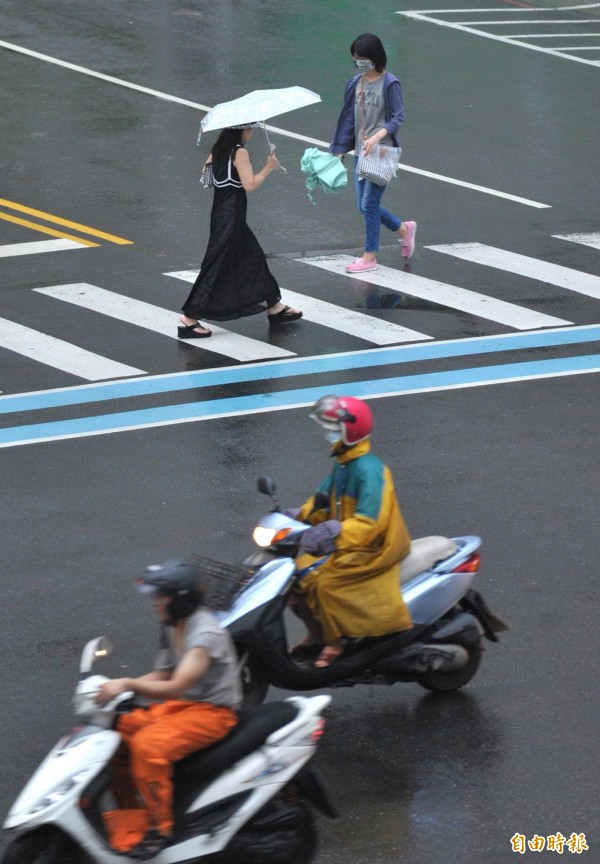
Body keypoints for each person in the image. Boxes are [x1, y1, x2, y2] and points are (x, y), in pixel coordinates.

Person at [95, 559, 241, 860]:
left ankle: (161, 828)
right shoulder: (173, 625)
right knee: (119, 732)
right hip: (184, 706)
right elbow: (162, 674)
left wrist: (127, 684)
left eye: (161, 596)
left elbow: (176, 684)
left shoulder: (205, 636)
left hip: (213, 713)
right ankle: (132, 813)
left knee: (148, 747)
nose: (155, 603)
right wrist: (117, 688)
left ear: (181, 599)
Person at [291, 395, 413, 668]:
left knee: (325, 584)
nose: (328, 433)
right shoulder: (343, 462)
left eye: (334, 428)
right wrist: (296, 516)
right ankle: (316, 634)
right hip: (346, 541)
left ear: (351, 430)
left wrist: (333, 531)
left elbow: (371, 524)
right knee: (295, 575)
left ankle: (336, 643)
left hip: (371, 548)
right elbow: (321, 498)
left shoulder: (371, 470)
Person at [178, 124, 302, 338]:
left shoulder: (219, 149)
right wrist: (268, 167)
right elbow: (250, 184)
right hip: (233, 214)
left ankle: (274, 305)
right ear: (242, 131)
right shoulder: (239, 151)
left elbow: (205, 174)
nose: (251, 133)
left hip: (220, 212)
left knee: (253, 257)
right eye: (250, 129)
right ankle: (190, 317)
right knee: (216, 264)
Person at [329, 33, 417, 273]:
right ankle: (403, 230)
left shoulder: (390, 84)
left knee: (369, 203)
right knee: (363, 205)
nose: (358, 62)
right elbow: (349, 118)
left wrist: (378, 135)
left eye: (362, 58)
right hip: (361, 152)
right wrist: (339, 150)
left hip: (381, 152)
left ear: (374, 57)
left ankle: (369, 256)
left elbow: (398, 117)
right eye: (355, 59)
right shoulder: (354, 83)